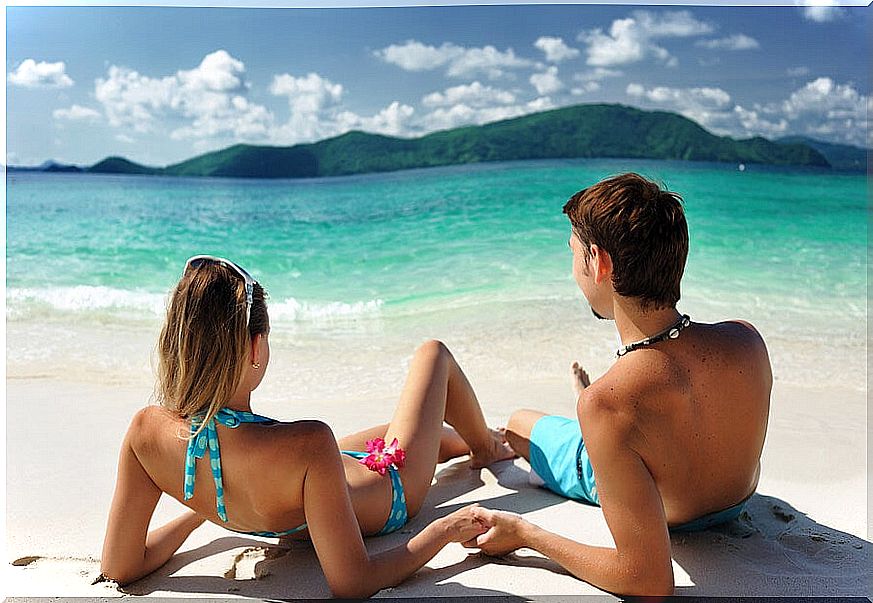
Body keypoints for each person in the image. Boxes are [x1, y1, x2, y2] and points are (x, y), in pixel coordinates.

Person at [100, 255, 513, 597]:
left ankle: (471, 440)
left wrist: (205, 511)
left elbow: (120, 566)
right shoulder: (306, 442)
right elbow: (353, 582)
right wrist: (442, 531)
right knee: (433, 355)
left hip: (302, 496)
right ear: (255, 347)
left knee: (414, 431)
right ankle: (487, 448)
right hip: (391, 491)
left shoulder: (144, 432)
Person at [465, 173, 772, 596]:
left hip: (671, 512)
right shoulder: (747, 340)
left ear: (599, 261)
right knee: (604, 409)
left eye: (573, 254)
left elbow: (647, 582)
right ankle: (602, 429)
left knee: (520, 424)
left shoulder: (606, 403)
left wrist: (523, 532)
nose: (573, 270)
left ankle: (591, 435)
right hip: (734, 502)